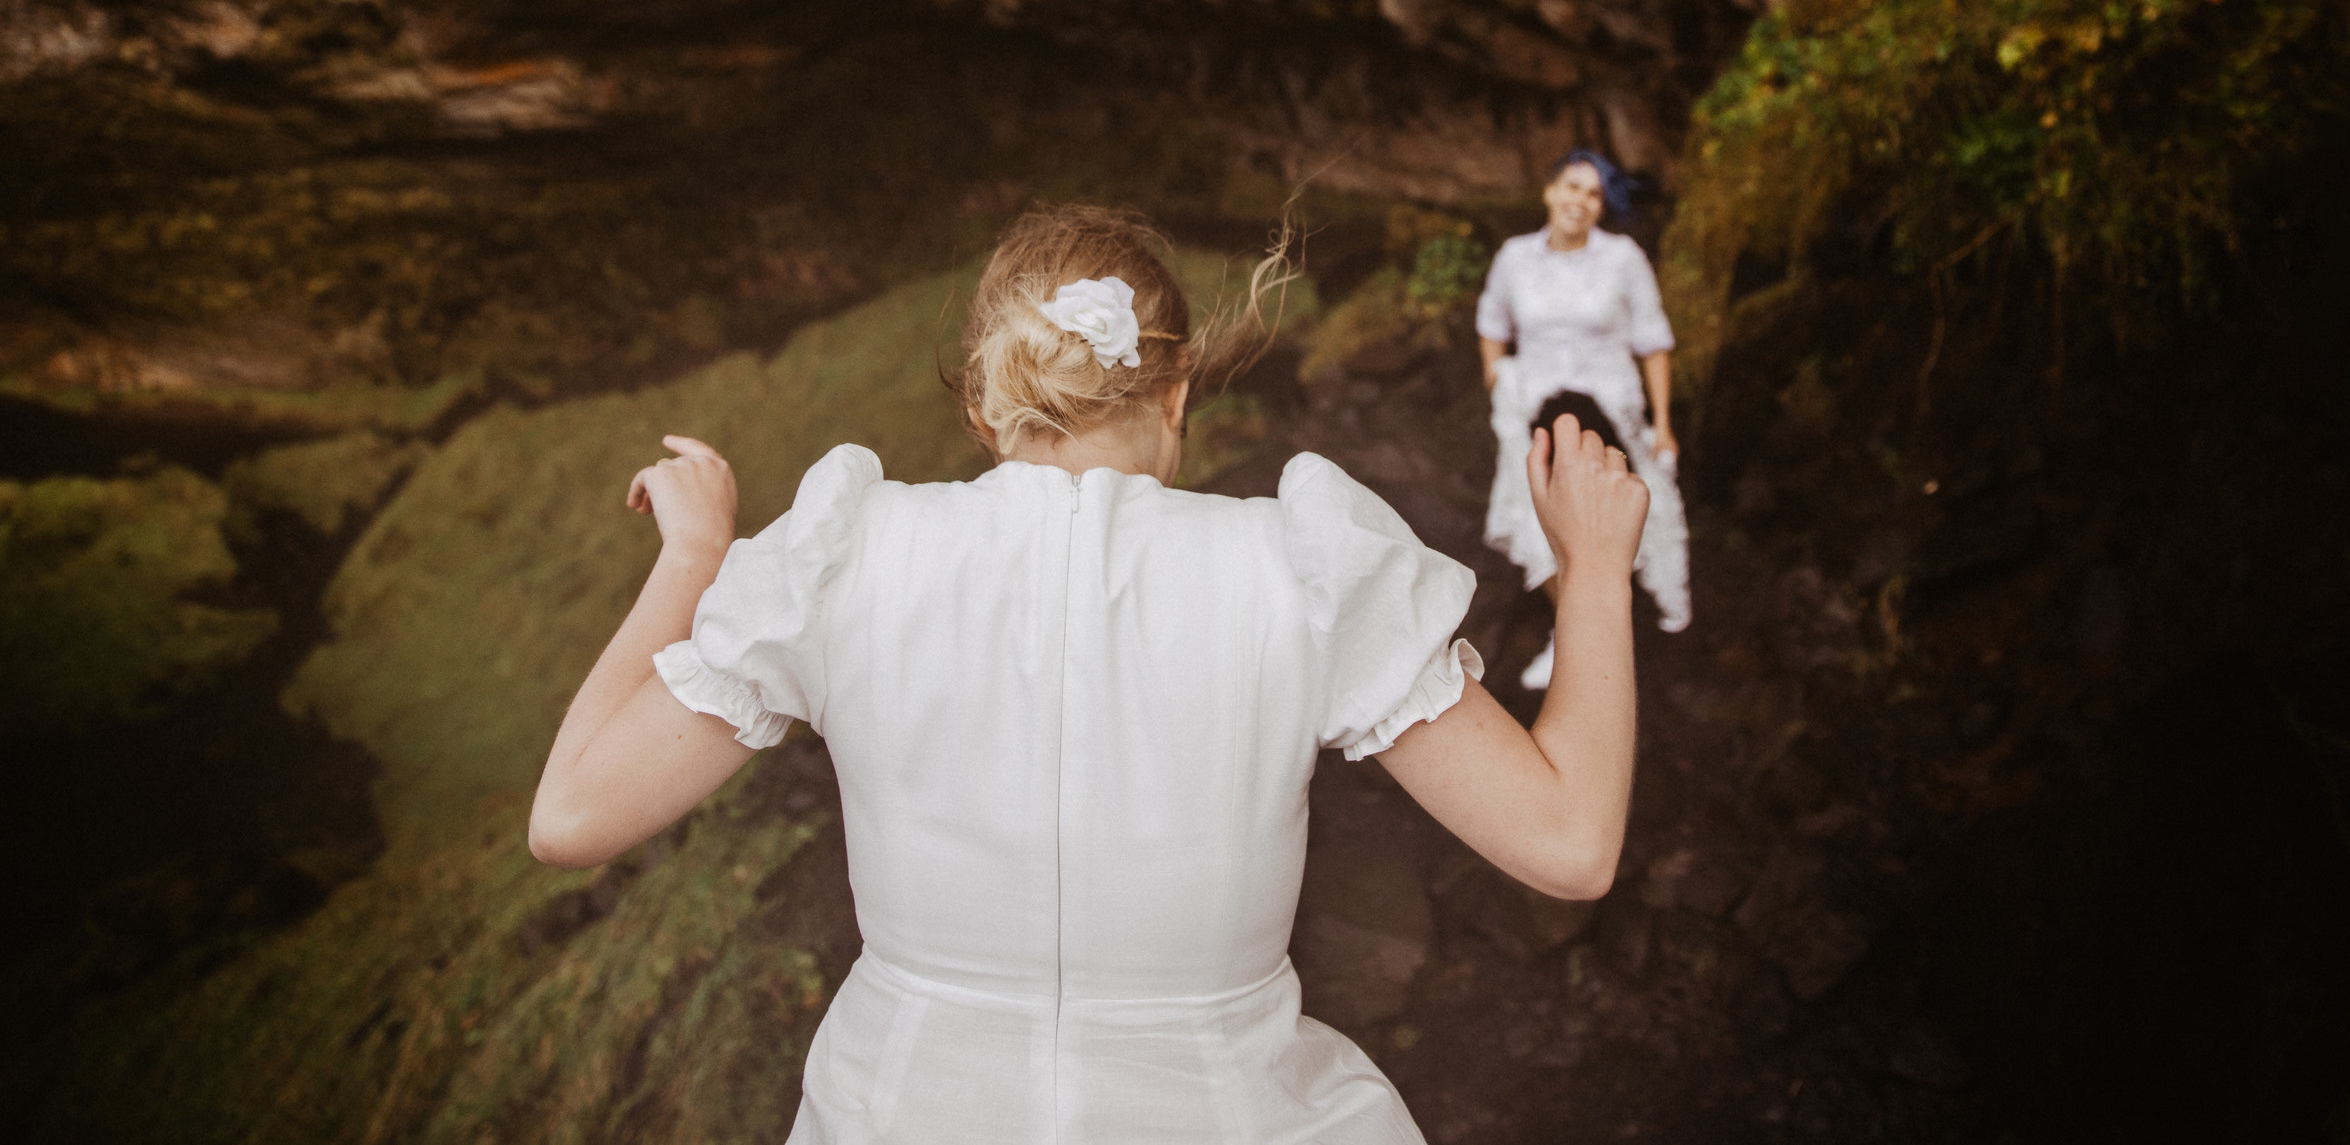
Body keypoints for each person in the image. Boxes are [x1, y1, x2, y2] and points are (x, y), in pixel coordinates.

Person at [529, 206, 1650, 1144]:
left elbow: (570, 815)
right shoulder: (1300, 573)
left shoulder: (844, 555)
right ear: (1176, 397)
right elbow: (1568, 845)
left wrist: (692, 558)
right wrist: (1592, 568)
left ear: (982, 412)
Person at [1477, 151, 1691, 690]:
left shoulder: (1622, 259)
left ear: (1601, 208)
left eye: (1594, 194)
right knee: (1538, 517)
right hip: (1536, 410)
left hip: (1607, 407)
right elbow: (1491, 321)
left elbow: (1654, 342)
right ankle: (1572, 633)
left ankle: (1618, 624)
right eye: (1572, 187)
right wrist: (1496, 379)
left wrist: (1663, 423)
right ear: (1550, 192)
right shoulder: (1515, 257)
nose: (1580, 201)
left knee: (1618, 512)